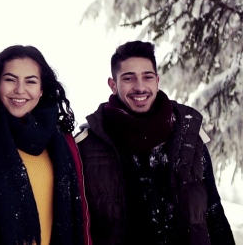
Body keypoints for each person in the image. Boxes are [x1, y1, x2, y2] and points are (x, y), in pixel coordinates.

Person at [75, 40, 235, 245]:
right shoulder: (89, 145)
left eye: (147, 77)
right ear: (113, 85)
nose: (140, 87)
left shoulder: (188, 136)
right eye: (129, 78)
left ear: (157, 81)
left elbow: (213, 211)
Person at [0, 45, 90, 245]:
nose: (20, 90)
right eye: (10, 80)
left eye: (30, 81)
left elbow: (78, 215)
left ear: (41, 90)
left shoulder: (61, 141)